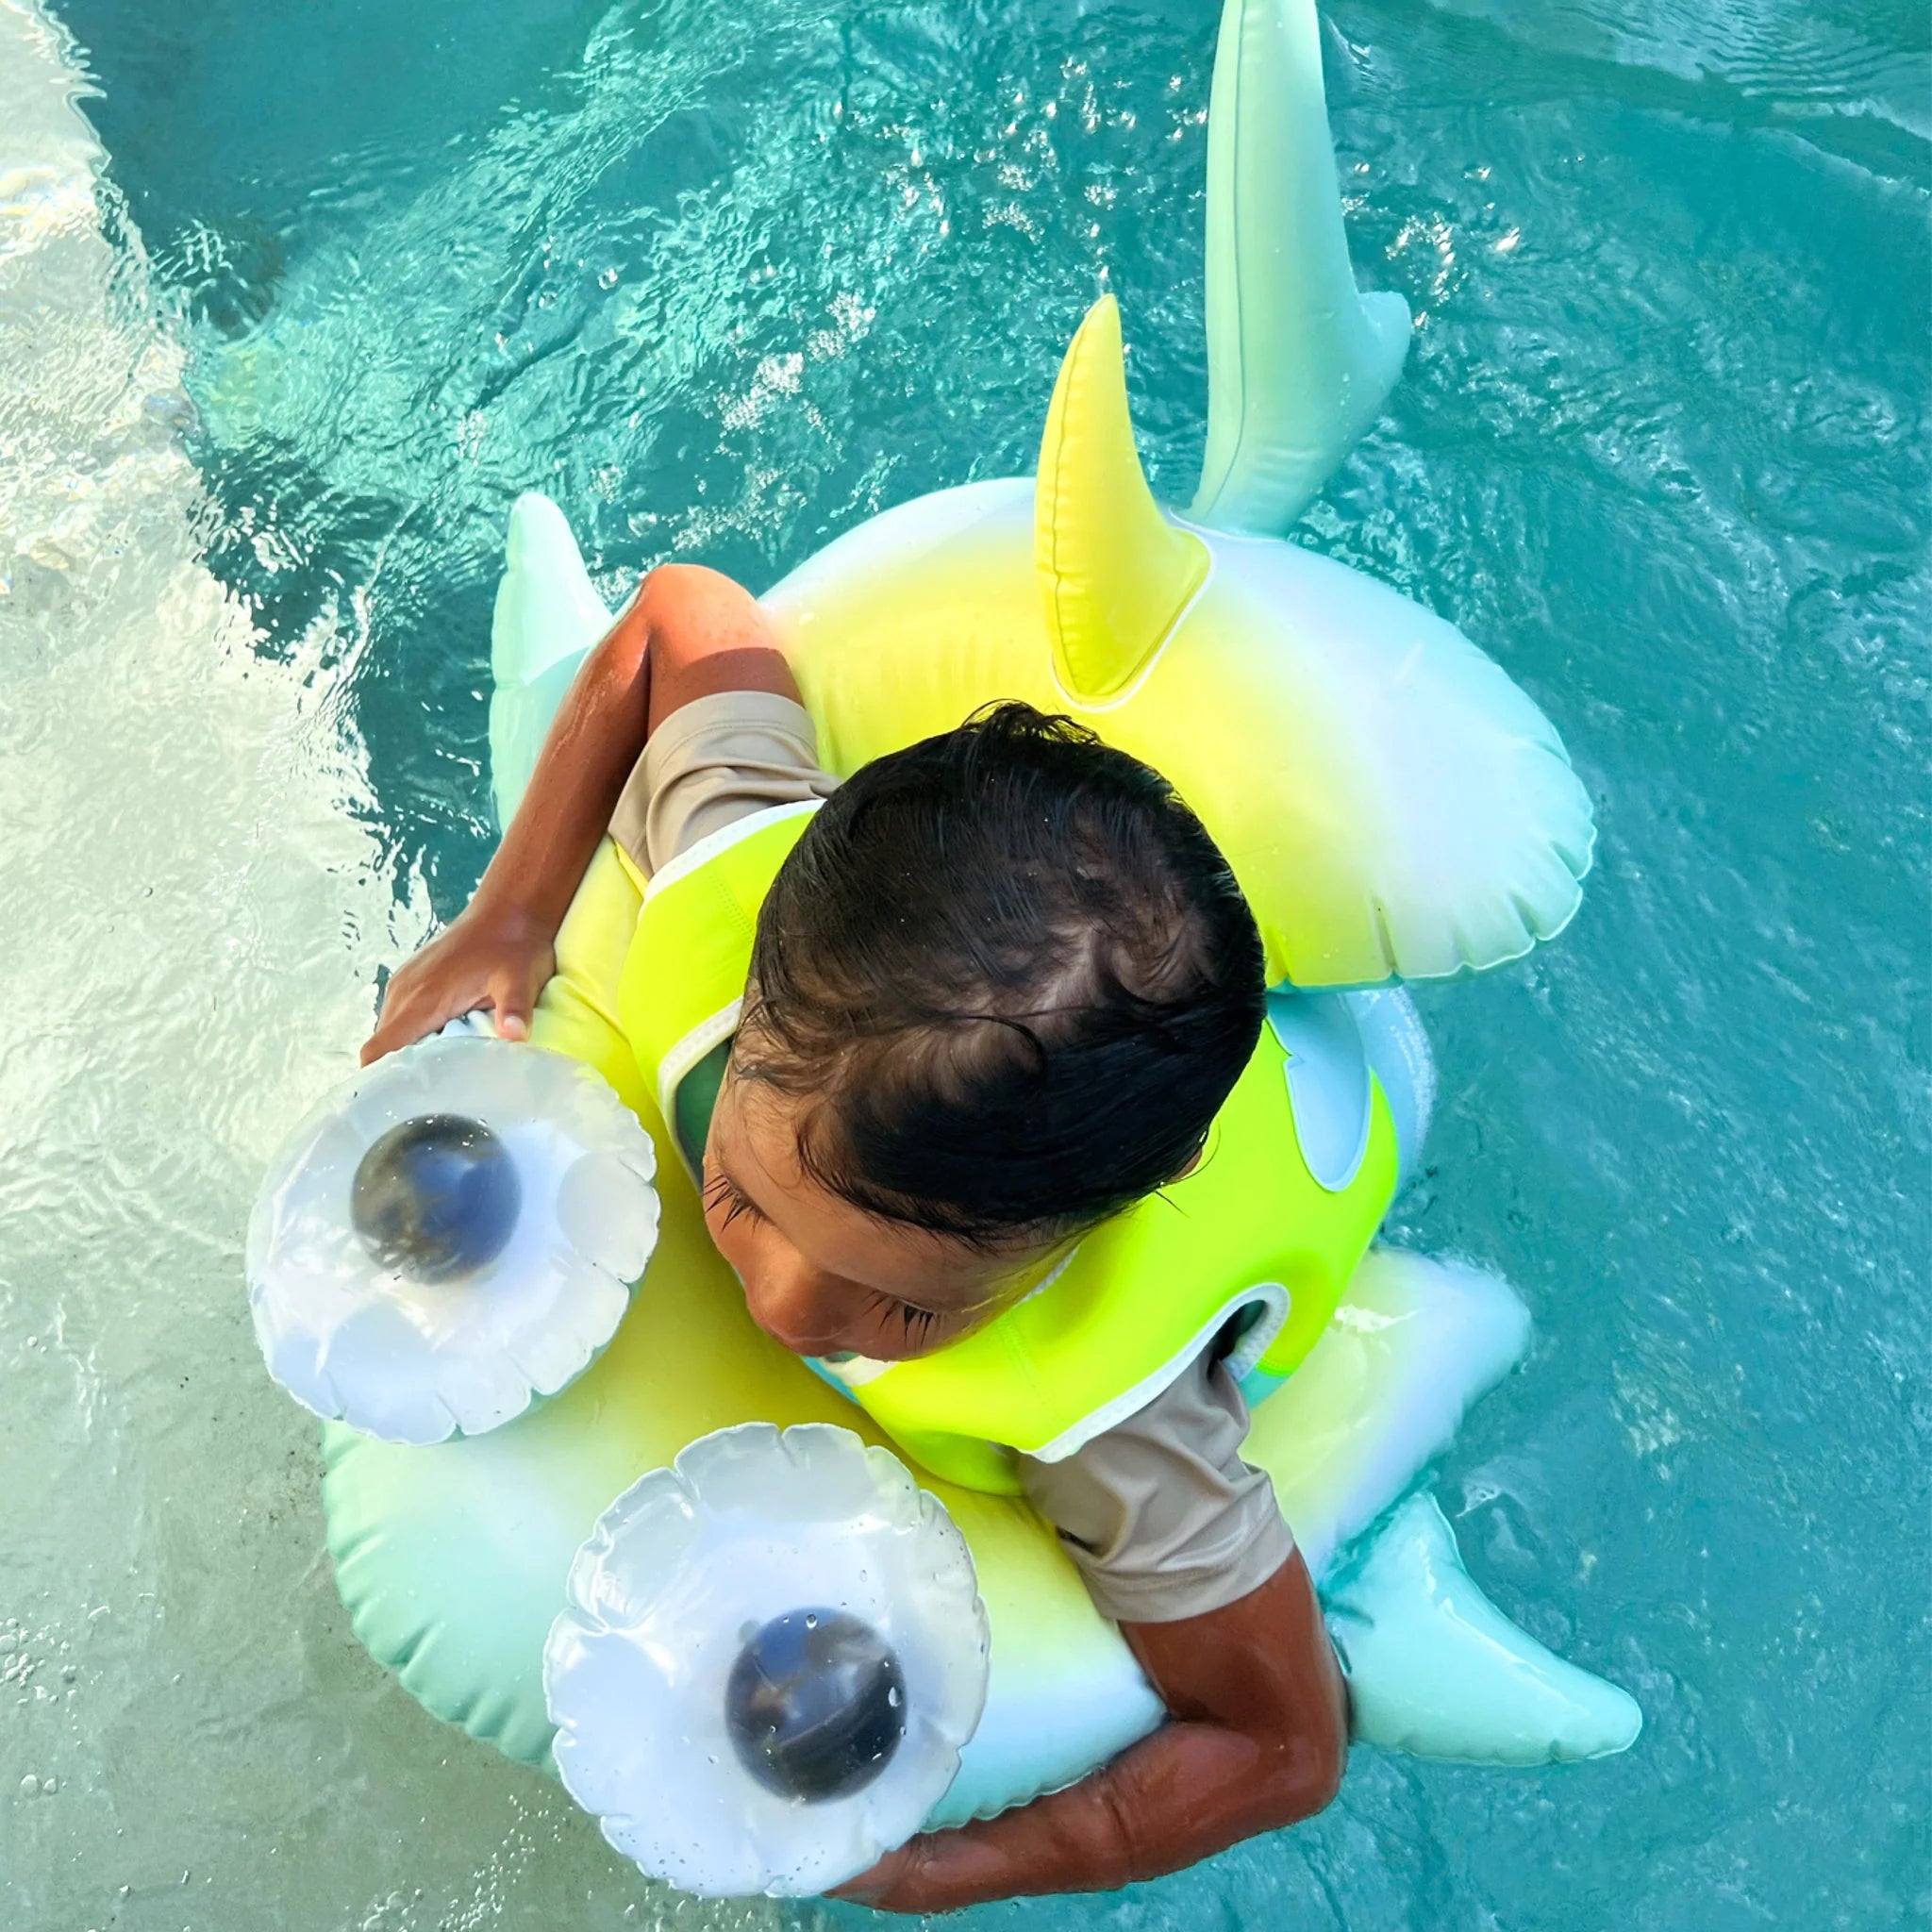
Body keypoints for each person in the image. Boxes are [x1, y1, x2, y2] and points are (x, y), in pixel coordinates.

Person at [365, 561, 1349, 1912]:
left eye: (907, 1310)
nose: (781, 1306)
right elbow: (680, 617)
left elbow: (1287, 1750)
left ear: (1089, 1227)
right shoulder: (727, 873)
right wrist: (516, 911)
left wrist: (938, 1869)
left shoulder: (1115, 1436)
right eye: (747, 1199)